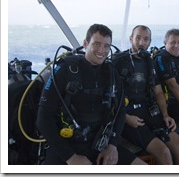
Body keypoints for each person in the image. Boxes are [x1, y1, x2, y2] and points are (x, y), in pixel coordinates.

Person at [36, 24, 147, 165]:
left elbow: (120, 112)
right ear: (85, 43)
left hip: (100, 143)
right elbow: (43, 119)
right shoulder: (65, 70)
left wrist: (112, 145)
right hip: (67, 146)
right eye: (96, 44)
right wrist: (71, 157)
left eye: (107, 46)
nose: (102, 50)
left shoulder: (111, 73)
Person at [112, 25, 179, 165]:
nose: (142, 42)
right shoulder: (118, 61)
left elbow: (159, 92)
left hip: (149, 110)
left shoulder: (150, 61)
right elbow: (108, 97)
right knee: (164, 152)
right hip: (128, 115)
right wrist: (126, 117)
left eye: (146, 39)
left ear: (150, 42)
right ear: (131, 39)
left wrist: (166, 115)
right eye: (138, 38)